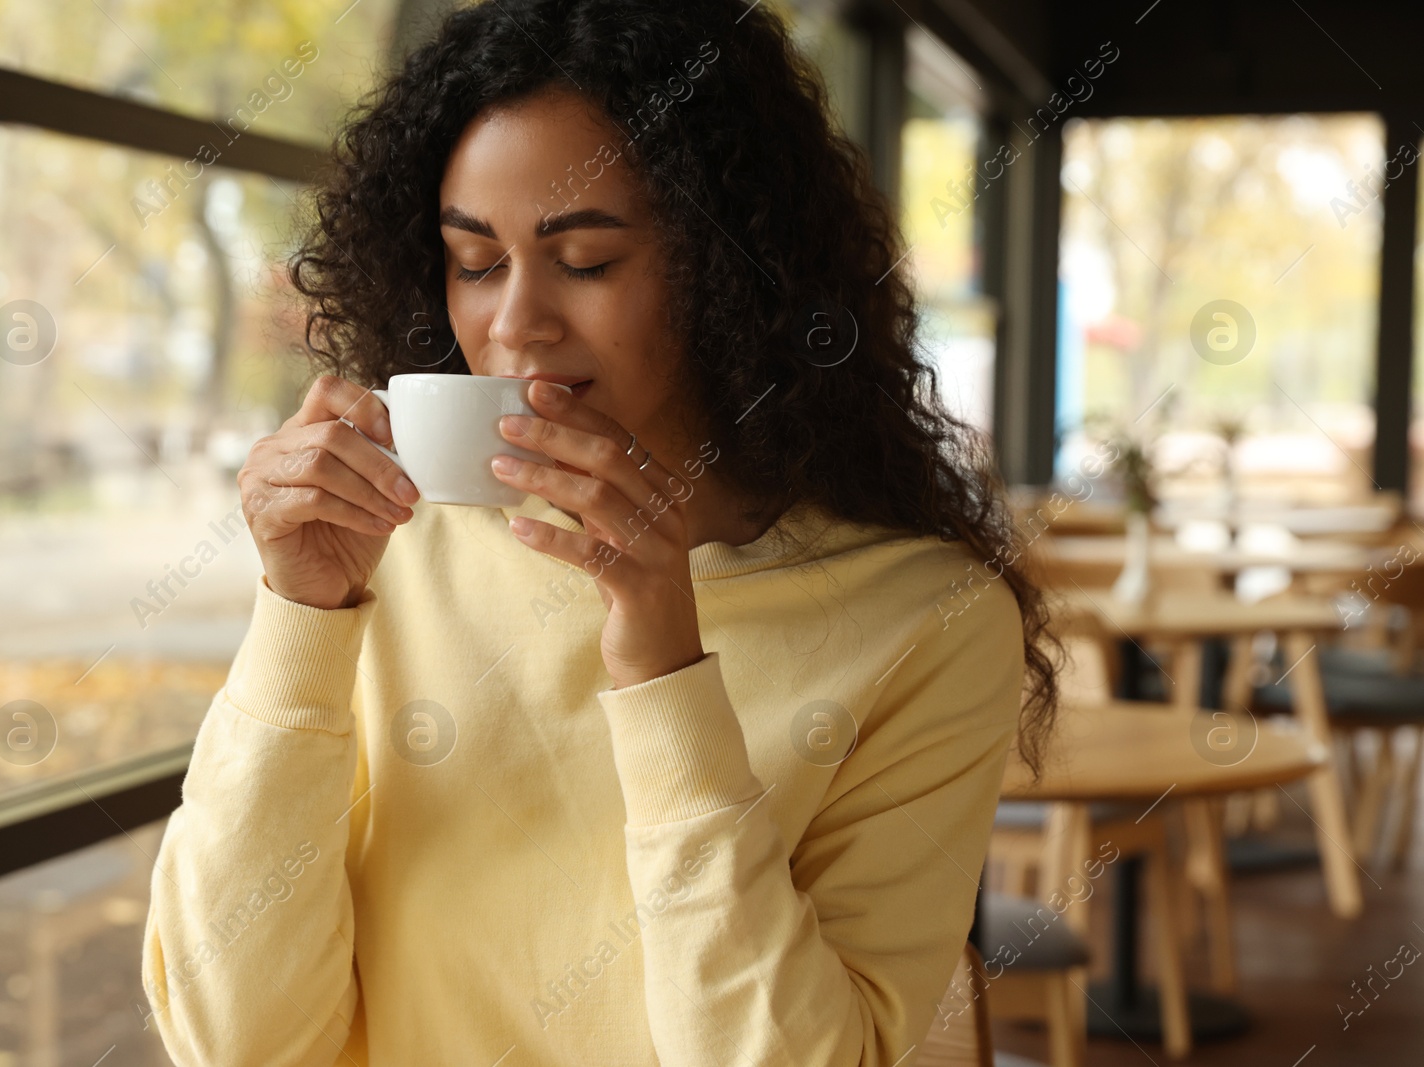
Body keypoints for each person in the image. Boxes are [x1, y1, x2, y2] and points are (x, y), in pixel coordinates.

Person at [140, 0, 1058, 1063]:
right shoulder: (389, 553)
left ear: (731, 275)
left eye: (583, 260)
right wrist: (299, 619)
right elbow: (233, 1038)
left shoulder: (928, 621)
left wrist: (666, 665)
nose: (514, 321)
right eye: (475, 262)